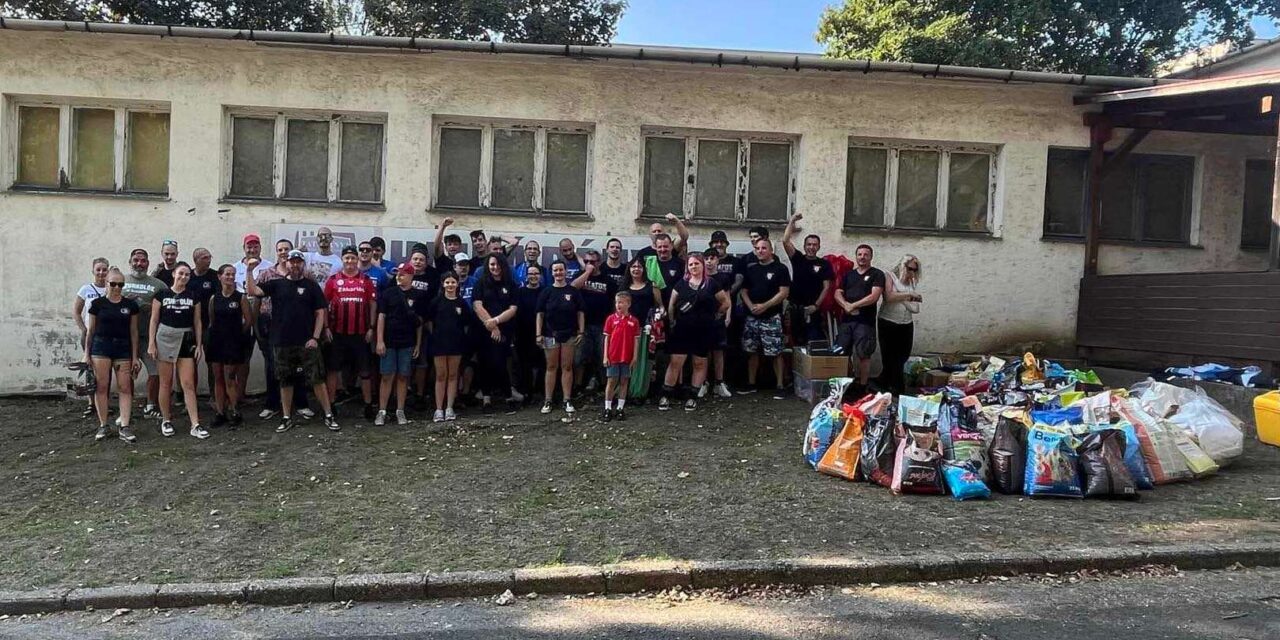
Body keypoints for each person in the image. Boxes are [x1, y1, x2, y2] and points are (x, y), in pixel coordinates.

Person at [245, 249, 338, 433]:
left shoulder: (311, 286)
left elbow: (320, 313)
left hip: (307, 342)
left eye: (298, 262)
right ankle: (286, 417)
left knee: (317, 379)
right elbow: (253, 290)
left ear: (303, 264)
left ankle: (328, 414)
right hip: (281, 342)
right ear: (286, 263)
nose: (295, 265)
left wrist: (315, 337)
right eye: (292, 261)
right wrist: (249, 271)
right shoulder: (275, 284)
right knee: (285, 381)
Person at [661, 253, 730, 411]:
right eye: (691, 264)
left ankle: (692, 397)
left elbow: (725, 303)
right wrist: (672, 321)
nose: (694, 267)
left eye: (697, 264)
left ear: (702, 265)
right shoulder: (681, 284)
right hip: (682, 329)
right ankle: (666, 395)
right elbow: (671, 305)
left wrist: (716, 315)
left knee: (699, 363)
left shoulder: (712, 284)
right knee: (675, 362)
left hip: (703, 330)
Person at [148, 262, 208, 439]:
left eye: (187, 274)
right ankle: (166, 420)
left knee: (188, 383)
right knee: (165, 383)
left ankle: (195, 424)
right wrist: (151, 343)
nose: (184, 277)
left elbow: (197, 322)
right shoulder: (161, 295)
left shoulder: (193, 296)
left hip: (186, 339)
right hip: (165, 337)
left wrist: (199, 344)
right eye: (181, 273)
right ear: (174, 274)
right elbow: (153, 320)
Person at [84, 267, 140, 442]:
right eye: (113, 284)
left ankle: (124, 425)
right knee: (101, 386)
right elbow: (90, 330)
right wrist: (87, 354)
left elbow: (134, 332)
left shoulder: (130, 305)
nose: (117, 287)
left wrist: (135, 356)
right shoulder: (97, 304)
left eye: (121, 284)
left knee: (125, 387)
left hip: (123, 348)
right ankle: (103, 425)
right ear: (106, 283)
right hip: (101, 348)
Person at [324, 246, 378, 420]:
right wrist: (325, 328)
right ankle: (331, 404)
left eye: (353, 258)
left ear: (357, 260)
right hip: (337, 333)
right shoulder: (333, 280)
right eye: (346, 258)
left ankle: (368, 405)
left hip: (361, 333)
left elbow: (372, 304)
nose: (350, 261)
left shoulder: (366, 280)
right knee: (333, 370)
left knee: (365, 371)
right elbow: (323, 306)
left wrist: (371, 327)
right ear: (342, 260)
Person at [739, 238, 791, 399]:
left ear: (771, 250)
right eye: (757, 248)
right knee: (751, 351)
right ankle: (751, 384)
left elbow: (784, 293)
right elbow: (743, 291)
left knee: (776, 352)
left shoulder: (780, 269)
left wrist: (765, 306)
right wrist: (751, 306)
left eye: (763, 248)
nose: (760, 251)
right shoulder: (751, 269)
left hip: (771, 317)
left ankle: (780, 386)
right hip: (752, 317)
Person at [375, 262, 425, 426]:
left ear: (411, 276)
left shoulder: (417, 295)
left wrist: (418, 344)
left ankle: (400, 410)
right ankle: (382, 411)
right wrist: (380, 340)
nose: (399, 276)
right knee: (387, 376)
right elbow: (381, 317)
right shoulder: (388, 294)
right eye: (398, 273)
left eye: (403, 274)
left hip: (407, 341)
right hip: (389, 341)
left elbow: (420, 322)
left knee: (403, 376)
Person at [121, 248, 168, 420]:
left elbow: (167, 308)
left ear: (148, 263)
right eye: (136, 260)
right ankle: (127, 406)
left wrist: (151, 308)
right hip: (126, 337)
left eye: (143, 261)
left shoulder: (159, 285)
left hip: (150, 338)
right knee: (126, 374)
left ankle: (150, 405)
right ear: (130, 261)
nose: (139, 264)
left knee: (155, 372)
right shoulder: (121, 281)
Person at [834, 244, 886, 392]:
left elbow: (874, 296)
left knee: (864, 354)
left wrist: (854, 305)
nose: (862, 257)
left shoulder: (877, 274)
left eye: (866, 254)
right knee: (842, 353)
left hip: (865, 322)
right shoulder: (848, 275)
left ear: (871, 257)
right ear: (856, 256)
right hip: (847, 321)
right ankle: (846, 384)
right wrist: (845, 305)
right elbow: (838, 292)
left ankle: (863, 386)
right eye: (860, 254)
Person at [206, 264, 252, 428]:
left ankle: (234, 410)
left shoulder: (240, 298)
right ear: (220, 276)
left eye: (233, 275)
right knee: (218, 378)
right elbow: (212, 320)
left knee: (230, 378)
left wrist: (237, 335)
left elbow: (248, 321)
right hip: (216, 342)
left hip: (233, 344)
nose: (230, 277)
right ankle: (220, 412)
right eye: (227, 274)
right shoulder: (214, 298)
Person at [536, 262, 584, 416]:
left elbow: (580, 312)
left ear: (566, 272)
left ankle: (567, 399)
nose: (558, 273)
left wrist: (581, 332)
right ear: (552, 273)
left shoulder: (573, 291)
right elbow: (540, 314)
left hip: (569, 334)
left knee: (567, 367)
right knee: (551, 367)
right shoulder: (546, 292)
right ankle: (548, 400)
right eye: (555, 270)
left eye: (561, 270)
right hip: (550, 334)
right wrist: (538, 334)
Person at [472, 255, 519, 408]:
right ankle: (486, 398)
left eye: (498, 264)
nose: (495, 267)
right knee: (484, 362)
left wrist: (497, 321)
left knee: (501, 362)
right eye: (492, 264)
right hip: (484, 330)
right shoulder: (480, 283)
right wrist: (492, 326)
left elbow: (513, 309)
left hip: (505, 330)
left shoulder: (511, 284)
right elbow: (477, 306)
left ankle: (508, 396)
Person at [781, 213, 833, 347]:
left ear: (819, 247)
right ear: (804, 246)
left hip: (812, 310)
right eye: (809, 244)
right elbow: (785, 240)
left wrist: (816, 306)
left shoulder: (824, 264)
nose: (811, 247)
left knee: (811, 343)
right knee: (792, 343)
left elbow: (826, 287)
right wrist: (792, 221)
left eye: (814, 245)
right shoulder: (798, 258)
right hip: (794, 308)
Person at [571, 250, 616, 393]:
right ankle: (578, 386)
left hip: (603, 324)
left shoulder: (607, 280)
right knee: (579, 358)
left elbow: (614, 302)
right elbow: (572, 288)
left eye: (592, 262)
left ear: (599, 263)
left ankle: (603, 386)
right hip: (582, 325)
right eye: (586, 262)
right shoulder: (580, 276)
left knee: (602, 357)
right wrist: (587, 273)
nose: (589, 264)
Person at [877, 255, 922, 396]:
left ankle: (884, 381)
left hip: (906, 322)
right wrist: (908, 295)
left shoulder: (912, 281)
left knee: (903, 354)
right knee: (889, 355)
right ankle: (896, 387)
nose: (912, 272)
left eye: (915, 270)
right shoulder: (889, 276)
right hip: (888, 321)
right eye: (909, 268)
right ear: (903, 266)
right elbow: (889, 297)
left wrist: (903, 295)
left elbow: (916, 304)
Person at [425, 272, 467, 421]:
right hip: (439, 344)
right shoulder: (436, 302)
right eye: (447, 282)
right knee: (441, 375)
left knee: (453, 375)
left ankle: (449, 407)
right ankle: (438, 409)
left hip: (456, 344)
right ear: (443, 284)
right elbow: (429, 321)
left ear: (457, 284)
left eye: (453, 282)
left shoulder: (461, 303)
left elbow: (465, 323)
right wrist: (436, 335)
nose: (450, 285)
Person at [74, 257, 110, 418]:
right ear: (93, 271)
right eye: (98, 269)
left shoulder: (112, 288)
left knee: (105, 371)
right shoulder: (85, 289)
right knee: (90, 369)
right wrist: (84, 329)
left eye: (104, 269)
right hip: (90, 334)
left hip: (108, 335)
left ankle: (104, 402)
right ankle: (91, 403)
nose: (101, 273)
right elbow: (76, 311)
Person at [601, 292, 641, 422]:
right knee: (611, 381)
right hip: (613, 356)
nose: (619, 305)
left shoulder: (634, 321)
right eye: (617, 302)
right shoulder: (611, 319)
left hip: (627, 357)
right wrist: (605, 356)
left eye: (622, 302)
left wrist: (635, 357)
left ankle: (620, 408)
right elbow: (607, 338)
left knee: (624, 381)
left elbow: (636, 340)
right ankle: (607, 408)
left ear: (628, 304)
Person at [703, 251, 735, 399]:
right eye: (706, 259)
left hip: (719, 318)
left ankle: (719, 383)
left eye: (712, 258)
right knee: (704, 352)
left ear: (717, 260)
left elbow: (728, 298)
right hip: (703, 319)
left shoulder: (723, 277)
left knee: (718, 352)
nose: (709, 261)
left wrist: (727, 316)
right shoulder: (700, 277)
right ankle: (703, 382)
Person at [513, 264, 545, 401]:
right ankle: (526, 391)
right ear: (526, 276)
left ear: (541, 276)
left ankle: (540, 390)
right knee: (524, 364)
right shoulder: (520, 292)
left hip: (542, 332)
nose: (533, 276)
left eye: (536, 273)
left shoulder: (545, 292)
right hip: (523, 333)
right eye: (530, 274)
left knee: (542, 362)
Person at [623, 258, 663, 327]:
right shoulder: (623, 287)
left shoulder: (652, 286)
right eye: (634, 266)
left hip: (648, 326)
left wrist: (661, 313)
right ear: (629, 269)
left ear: (644, 269)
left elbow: (660, 306)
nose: (636, 269)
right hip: (628, 326)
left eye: (639, 267)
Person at [649, 234, 684, 304]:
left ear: (671, 246)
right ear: (655, 247)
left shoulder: (681, 264)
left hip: (676, 305)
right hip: (654, 307)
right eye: (659, 247)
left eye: (665, 246)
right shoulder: (650, 263)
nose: (662, 249)